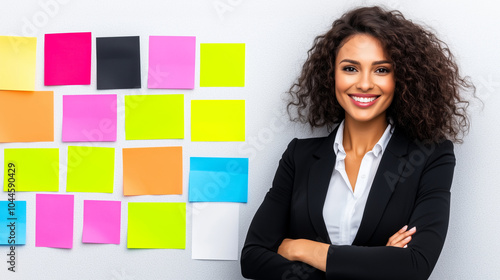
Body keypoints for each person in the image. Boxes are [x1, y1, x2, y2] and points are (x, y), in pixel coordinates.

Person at [241, 6, 473, 280]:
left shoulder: (431, 156)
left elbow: (414, 266)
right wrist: (374, 262)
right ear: (332, 75)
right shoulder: (298, 156)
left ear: (402, 78)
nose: (364, 83)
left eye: (381, 70)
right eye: (350, 68)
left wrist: (301, 247)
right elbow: (253, 258)